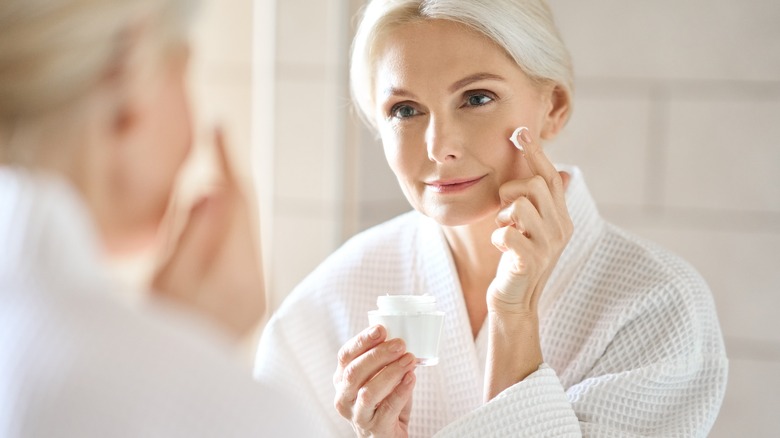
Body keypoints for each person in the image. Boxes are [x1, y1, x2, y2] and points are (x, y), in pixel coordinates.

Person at [254, 0, 728, 436]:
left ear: (553, 107)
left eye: (476, 98)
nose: (440, 146)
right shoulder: (330, 302)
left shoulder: (656, 306)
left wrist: (514, 317)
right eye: (405, 109)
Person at [0, 0, 312, 436]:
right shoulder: (236, 415)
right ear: (126, 74)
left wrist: (176, 336)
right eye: (183, 68)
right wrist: (196, 365)